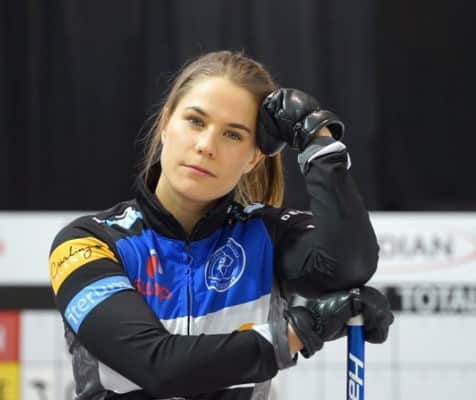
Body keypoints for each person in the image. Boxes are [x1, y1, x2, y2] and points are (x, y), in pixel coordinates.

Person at [48, 50, 393, 400]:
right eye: (195, 121)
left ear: (253, 157)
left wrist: (317, 139)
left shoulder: (265, 234)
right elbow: (157, 367)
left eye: (232, 135)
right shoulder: (86, 241)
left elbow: (348, 264)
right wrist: (301, 331)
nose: (206, 146)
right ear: (166, 124)